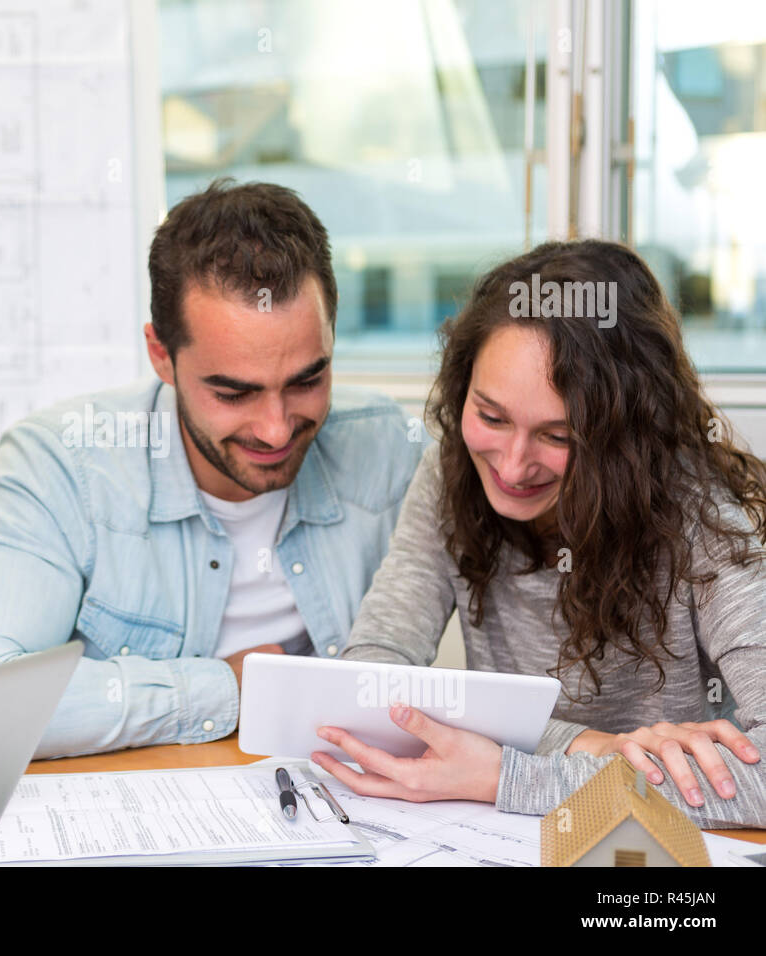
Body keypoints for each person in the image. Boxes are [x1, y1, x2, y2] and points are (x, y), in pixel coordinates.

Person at [0, 179, 422, 758]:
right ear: (161, 354)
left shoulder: (391, 444)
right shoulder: (61, 464)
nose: (276, 427)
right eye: (233, 392)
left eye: (307, 381)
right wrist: (224, 688)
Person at [320, 239, 766, 829]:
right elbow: (370, 676)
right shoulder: (448, 473)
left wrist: (508, 773)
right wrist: (587, 746)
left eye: (558, 436)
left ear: (626, 442)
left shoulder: (704, 515)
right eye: (491, 415)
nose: (510, 465)